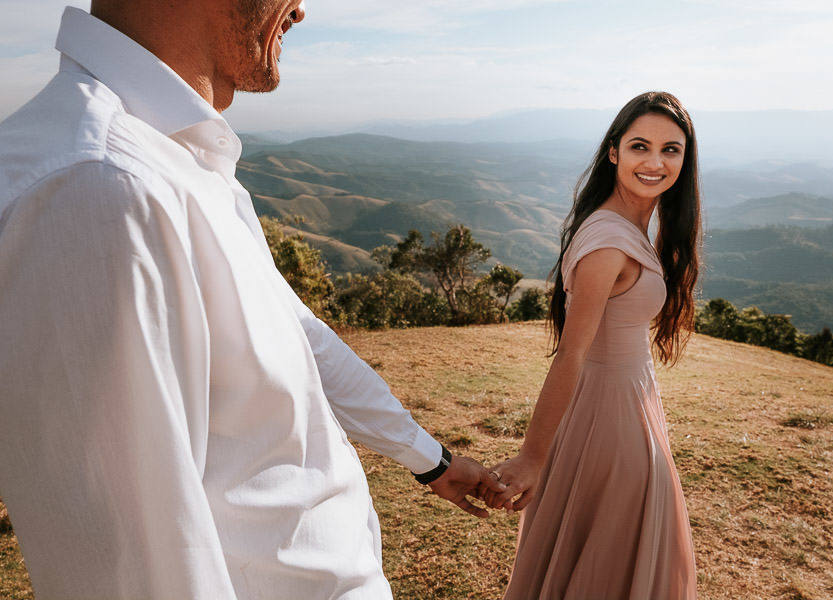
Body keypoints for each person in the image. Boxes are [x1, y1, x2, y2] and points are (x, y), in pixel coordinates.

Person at [0, 2, 504, 599]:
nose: (301, 9)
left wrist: (431, 460)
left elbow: (302, 340)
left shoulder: (176, 155)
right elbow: (135, 569)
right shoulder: (100, 185)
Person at [482, 91, 701, 599]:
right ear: (614, 152)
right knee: (612, 558)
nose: (655, 161)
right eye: (640, 146)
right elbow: (572, 353)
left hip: (628, 405)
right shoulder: (607, 242)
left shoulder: (632, 225)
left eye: (671, 149)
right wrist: (533, 457)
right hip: (610, 420)